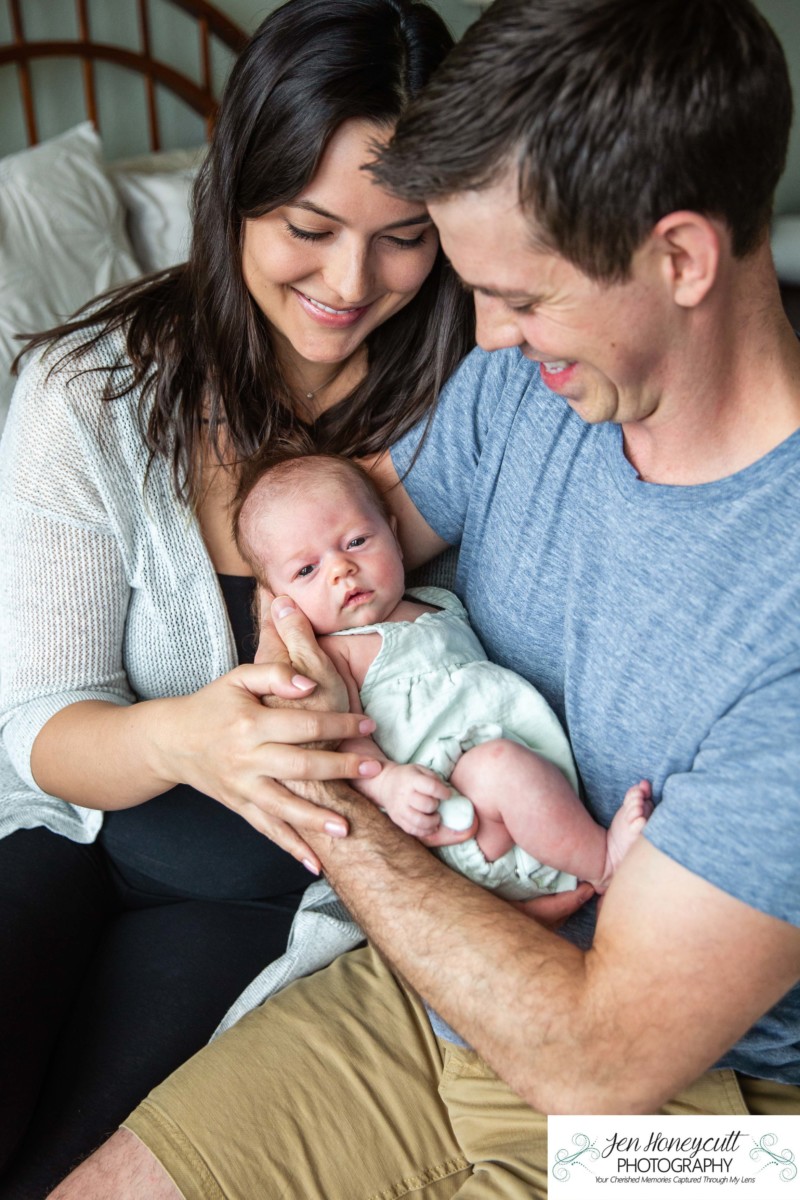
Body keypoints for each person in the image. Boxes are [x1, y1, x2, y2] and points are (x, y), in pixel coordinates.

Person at [48, 0, 800, 1197]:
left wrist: (342, 794)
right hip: (430, 983)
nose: (485, 338)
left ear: (680, 258)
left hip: (717, 1113)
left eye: (523, 296)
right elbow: (311, 569)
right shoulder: (524, 396)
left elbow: (597, 1062)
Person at [0, 0, 474, 1194]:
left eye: (405, 236)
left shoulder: (478, 401)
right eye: (308, 226)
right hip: (71, 830)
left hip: (266, 896)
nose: (350, 282)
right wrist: (192, 734)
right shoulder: (84, 393)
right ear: (231, 186)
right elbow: (38, 726)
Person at [235, 450, 653, 899]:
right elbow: (344, 736)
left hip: (515, 780)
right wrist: (388, 784)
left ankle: (571, 853)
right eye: (306, 569)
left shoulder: (437, 602)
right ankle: (604, 864)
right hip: (448, 806)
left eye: (356, 541)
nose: (341, 569)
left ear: (394, 536)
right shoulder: (335, 655)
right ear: (279, 600)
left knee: (507, 768)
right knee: (502, 768)